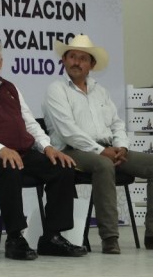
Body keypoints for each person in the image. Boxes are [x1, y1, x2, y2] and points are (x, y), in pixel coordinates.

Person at [0, 37, 85, 260]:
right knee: (10, 166)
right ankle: (15, 238)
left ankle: (52, 237)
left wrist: (47, 147)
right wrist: (1, 149)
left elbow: (29, 123)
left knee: (61, 167)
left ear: (0, 62)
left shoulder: (9, 88)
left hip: (19, 151)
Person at [43, 34, 153, 254]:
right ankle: (109, 237)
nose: (76, 62)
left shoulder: (100, 91)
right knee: (104, 164)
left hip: (108, 148)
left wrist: (121, 147)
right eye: (72, 57)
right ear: (63, 60)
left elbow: (117, 123)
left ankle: (151, 234)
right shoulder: (56, 89)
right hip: (72, 151)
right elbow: (68, 132)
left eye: (83, 58)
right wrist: (102, 151)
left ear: (91, 65)